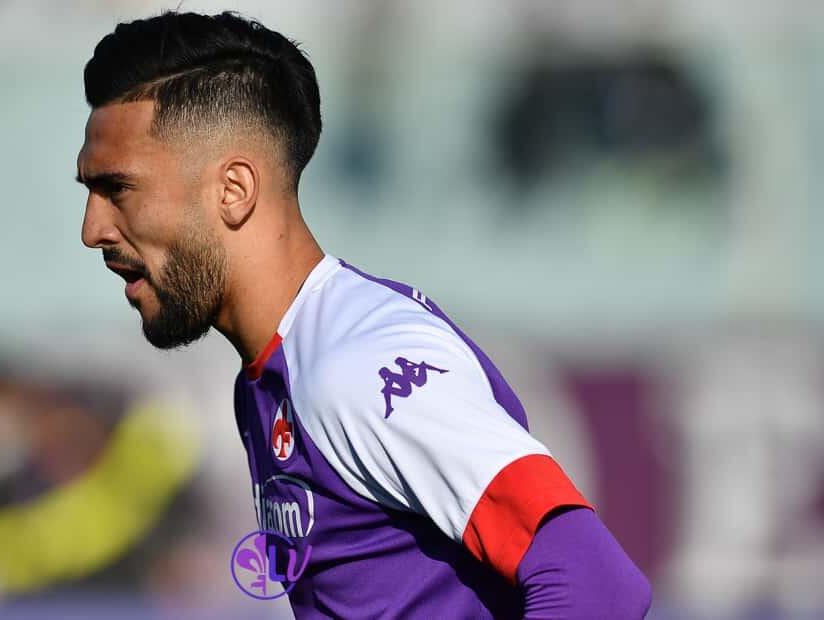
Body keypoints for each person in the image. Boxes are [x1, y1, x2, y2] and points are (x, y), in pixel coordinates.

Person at [77, 11, 651, 618]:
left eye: (118, 190)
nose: (92, 230)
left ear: (234, 190)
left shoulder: (356, 367)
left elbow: (597, 584)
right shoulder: (275, 374)